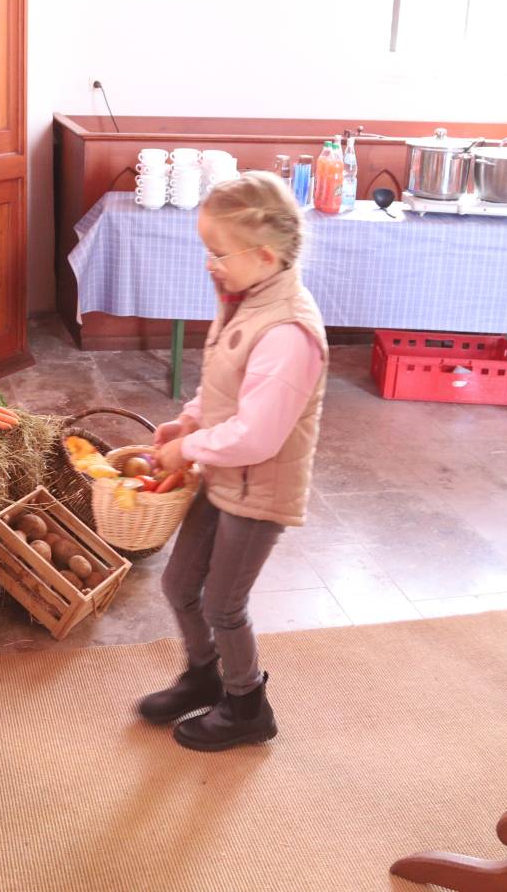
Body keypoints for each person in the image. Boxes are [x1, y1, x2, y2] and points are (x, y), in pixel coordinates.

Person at [139, 171, 327, 752]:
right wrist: (190, 420)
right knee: (179, 585)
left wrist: (186, 449)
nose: (209, 264)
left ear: (265, 255)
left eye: (218, 253)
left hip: (259, 486)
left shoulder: (288, 330)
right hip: (224, 476)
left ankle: (246, 705)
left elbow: (258, 436)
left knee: (224, 604)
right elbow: (223, 386)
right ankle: (204, 676)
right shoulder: (247, 301)